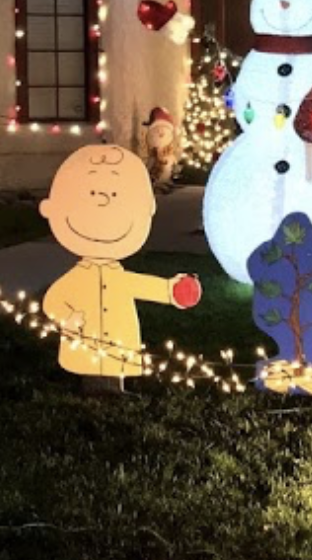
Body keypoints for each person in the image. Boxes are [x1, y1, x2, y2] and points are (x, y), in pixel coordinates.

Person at [40, 144, 200, 391]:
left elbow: (141, 285)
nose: (103, 200)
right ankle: (96, 386)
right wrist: (68, 318)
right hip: (86, 343)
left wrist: (171, 290)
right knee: (91, 363)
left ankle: (112, 388)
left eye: (114, 195)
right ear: (51, 209)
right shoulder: (76, 279)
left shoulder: (119, 278)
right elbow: (53, 300)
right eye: (92, 193)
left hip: (117, 341)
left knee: (114, 362)